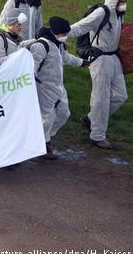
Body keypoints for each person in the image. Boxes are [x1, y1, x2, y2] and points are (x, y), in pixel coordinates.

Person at [67, 0, 129, 149]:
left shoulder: (119, 15)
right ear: (114, 0)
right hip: (100, 58)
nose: (124, 4)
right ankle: (97, 136)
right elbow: (82, 26)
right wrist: (60, 34)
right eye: (122, 1)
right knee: (100, 98)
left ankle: (90, 119)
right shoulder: (102, 13)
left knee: (121, 96)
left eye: (125, 1)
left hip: (113, 58)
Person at [22, 17, 87, 159]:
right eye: (63, 34)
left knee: (64, 113)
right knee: (46, 118)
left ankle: (43, 137)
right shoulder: (41, 46)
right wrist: (30, 82)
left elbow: (65, 58)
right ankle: (43, 145)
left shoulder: (59, 44)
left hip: (58, 86)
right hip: (44, 87)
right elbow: (34, 64)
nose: (65, 37)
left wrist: (82, 63)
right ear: (55, 32)